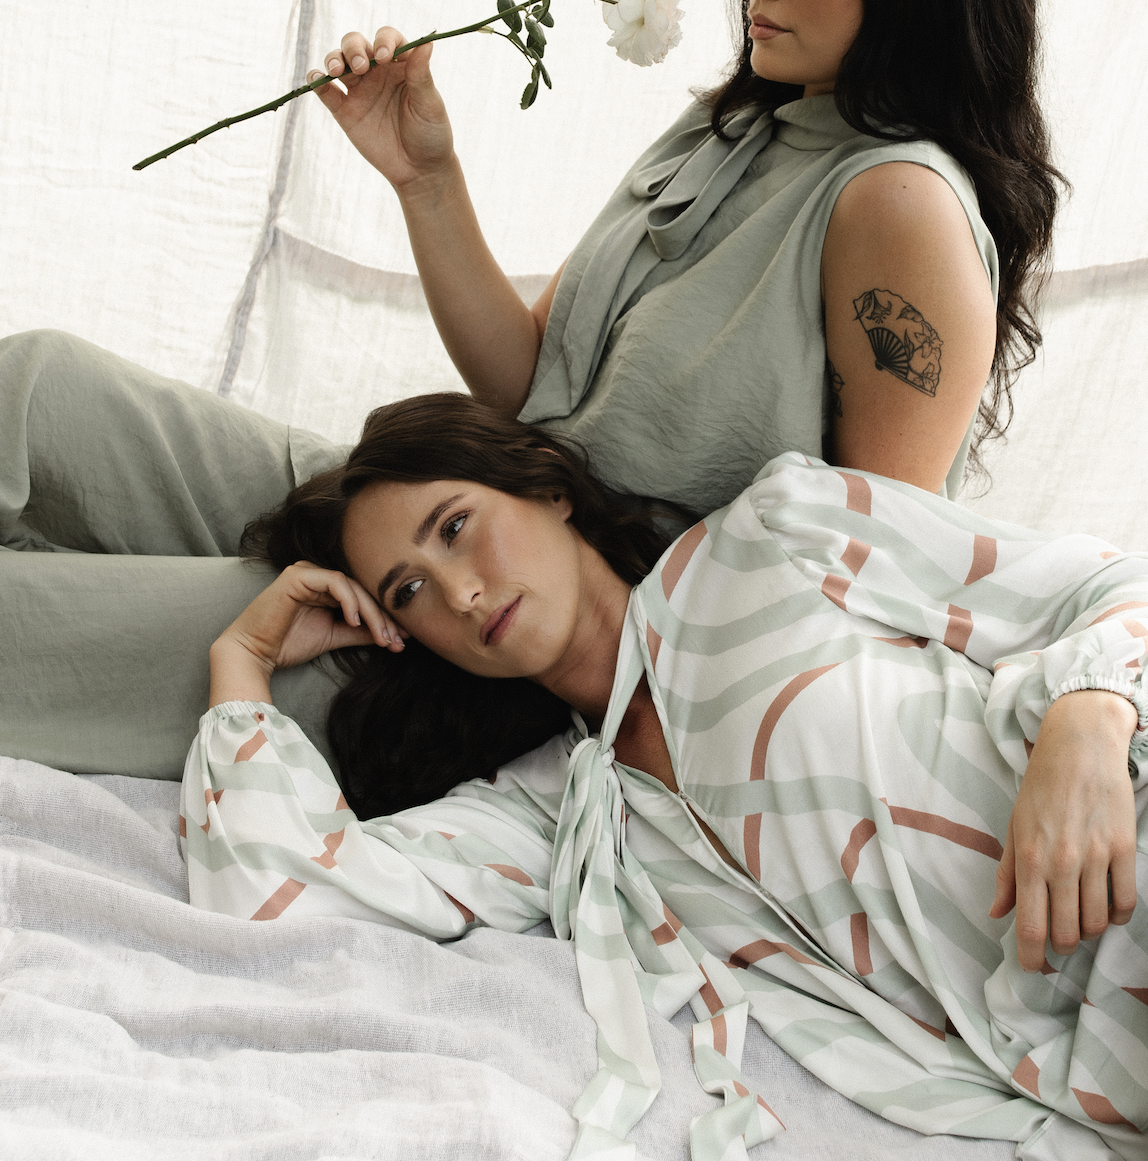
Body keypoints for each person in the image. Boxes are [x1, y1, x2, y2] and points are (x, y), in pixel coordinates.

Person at [185, 392, 1147, 1158]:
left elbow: (1095, 585)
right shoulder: (553, 813)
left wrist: (1091, 724)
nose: (462, 591)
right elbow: (274, 903)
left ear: (546, 489)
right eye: (409, 591)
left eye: (456, 527)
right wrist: (245, 658)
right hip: (1084, 1085)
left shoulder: (776, 532)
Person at [309, 0, 1062, 524]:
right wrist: (425, 180)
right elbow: (527, 391)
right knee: (185, 432)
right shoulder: (720, 128)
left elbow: (867, 568)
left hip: (588, 628)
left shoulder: (897, 201)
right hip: (491, 537)